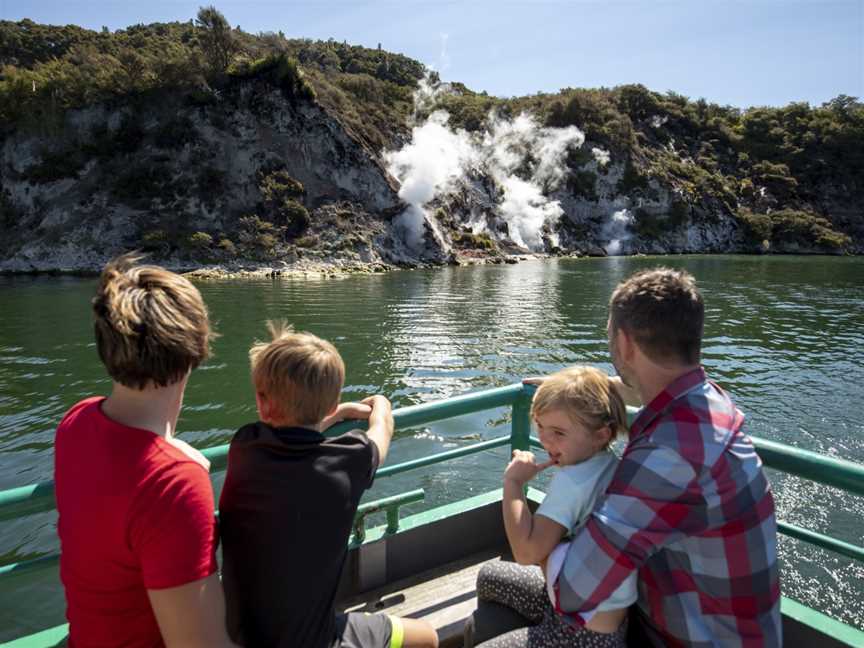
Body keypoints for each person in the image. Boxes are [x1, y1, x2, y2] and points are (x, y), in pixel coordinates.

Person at [549, 268, 781, 647]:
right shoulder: (707, 401)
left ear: (624, 345)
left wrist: (538, 545)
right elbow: (643, 391)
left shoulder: (670, 456)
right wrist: (577, 391)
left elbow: (571, 590)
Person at [218, 322, 439, 648]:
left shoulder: (244, 447)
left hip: (243, 637)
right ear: (331, 402)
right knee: (428, 638)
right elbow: (383, 428)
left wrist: (332, 416)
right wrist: (379, 404)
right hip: (316, 640)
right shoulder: (349, 459)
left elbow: (290, 429)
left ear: (262, 402)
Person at [54, 253, 236, 647]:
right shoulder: (175, 485)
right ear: (197, 347)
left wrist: (172, 451)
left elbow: (123, 467)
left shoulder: (76, 421)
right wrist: (175, 465)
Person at [475, 366, 636, 648]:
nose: (545, 440)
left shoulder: (573, 482)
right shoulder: (606, 461)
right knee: (490, 576)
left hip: (579, 635)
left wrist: (513, 481)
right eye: (540, 425)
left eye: (559, 432)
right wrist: (564, 392)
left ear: (601, 434)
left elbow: (526, 553)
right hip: (597, 618)